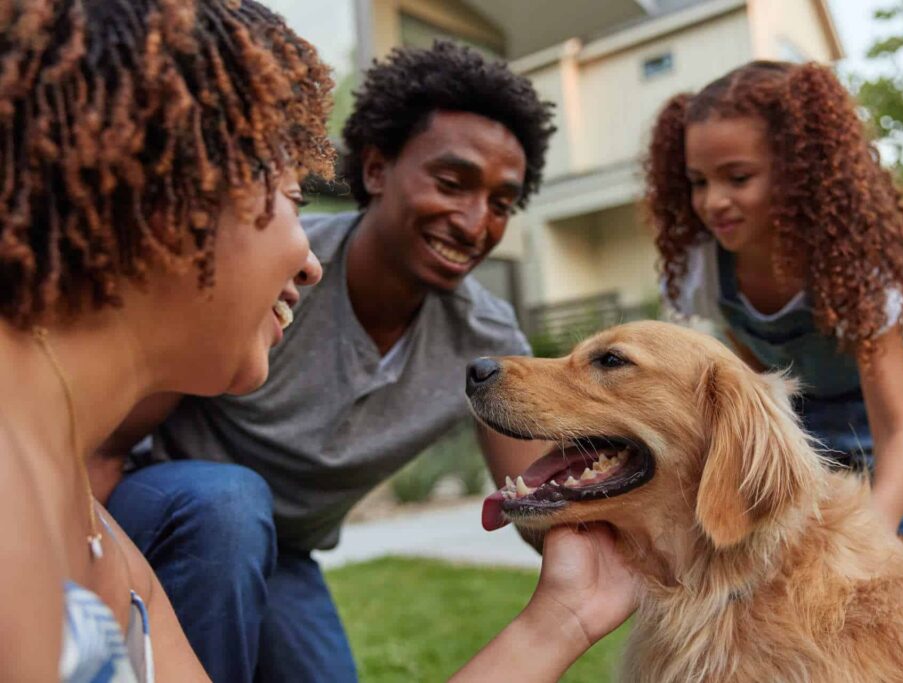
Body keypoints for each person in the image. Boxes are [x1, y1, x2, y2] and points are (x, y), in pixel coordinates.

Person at [94, 41, 564, 682]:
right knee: (229, 505)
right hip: (173, 508)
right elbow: (110, 441)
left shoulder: (482, 337)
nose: (475, 222)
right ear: (375, 168)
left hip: (283, 553)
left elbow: (536, 498)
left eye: (502, 204)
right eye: (451, 184)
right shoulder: (279, 266)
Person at [0, 0, 334, 678]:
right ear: (177, 187)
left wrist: (563, 614)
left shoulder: (94, 528)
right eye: (294, 200)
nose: (311, 262)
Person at [645, 61, 903, 555]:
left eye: (738, 177)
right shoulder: (705, 266)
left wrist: (872, 539)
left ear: (799, 175)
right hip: (806, 405)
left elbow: (899, 437)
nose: (713, 201)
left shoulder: (855, 269)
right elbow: (757, 375)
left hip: (897, 414)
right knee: (790, 559)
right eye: (698, 181)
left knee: (888, 559)